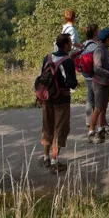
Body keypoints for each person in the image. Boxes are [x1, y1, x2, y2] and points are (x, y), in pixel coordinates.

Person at [40, 33, 78, 173]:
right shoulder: (67, 61)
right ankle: (55, 162)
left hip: (46, 98)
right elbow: (72, 83)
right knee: (59, 129)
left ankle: (45, 158)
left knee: (47, 127)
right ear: (65, 45)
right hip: (61, 99)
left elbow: (42, 76)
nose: (71, 45)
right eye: (70, 43)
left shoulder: (47, 58)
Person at [88, 28, 109, 143]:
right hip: (99, 83)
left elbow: (108, 64)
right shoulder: (99, 50)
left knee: (103, 106)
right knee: (98, 107)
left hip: (105, 82)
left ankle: (101, 129)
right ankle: (91, 132)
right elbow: (97, 68)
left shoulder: (105, 49)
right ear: (107, 38)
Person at [79, 24, 99, 124]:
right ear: (95, 32)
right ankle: (94, 120)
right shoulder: (95, 46)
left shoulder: (85, 44)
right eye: (98, 30)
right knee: (96, 98)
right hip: (94, 74)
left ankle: (89, 120)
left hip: (86, 74)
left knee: (90, 96)